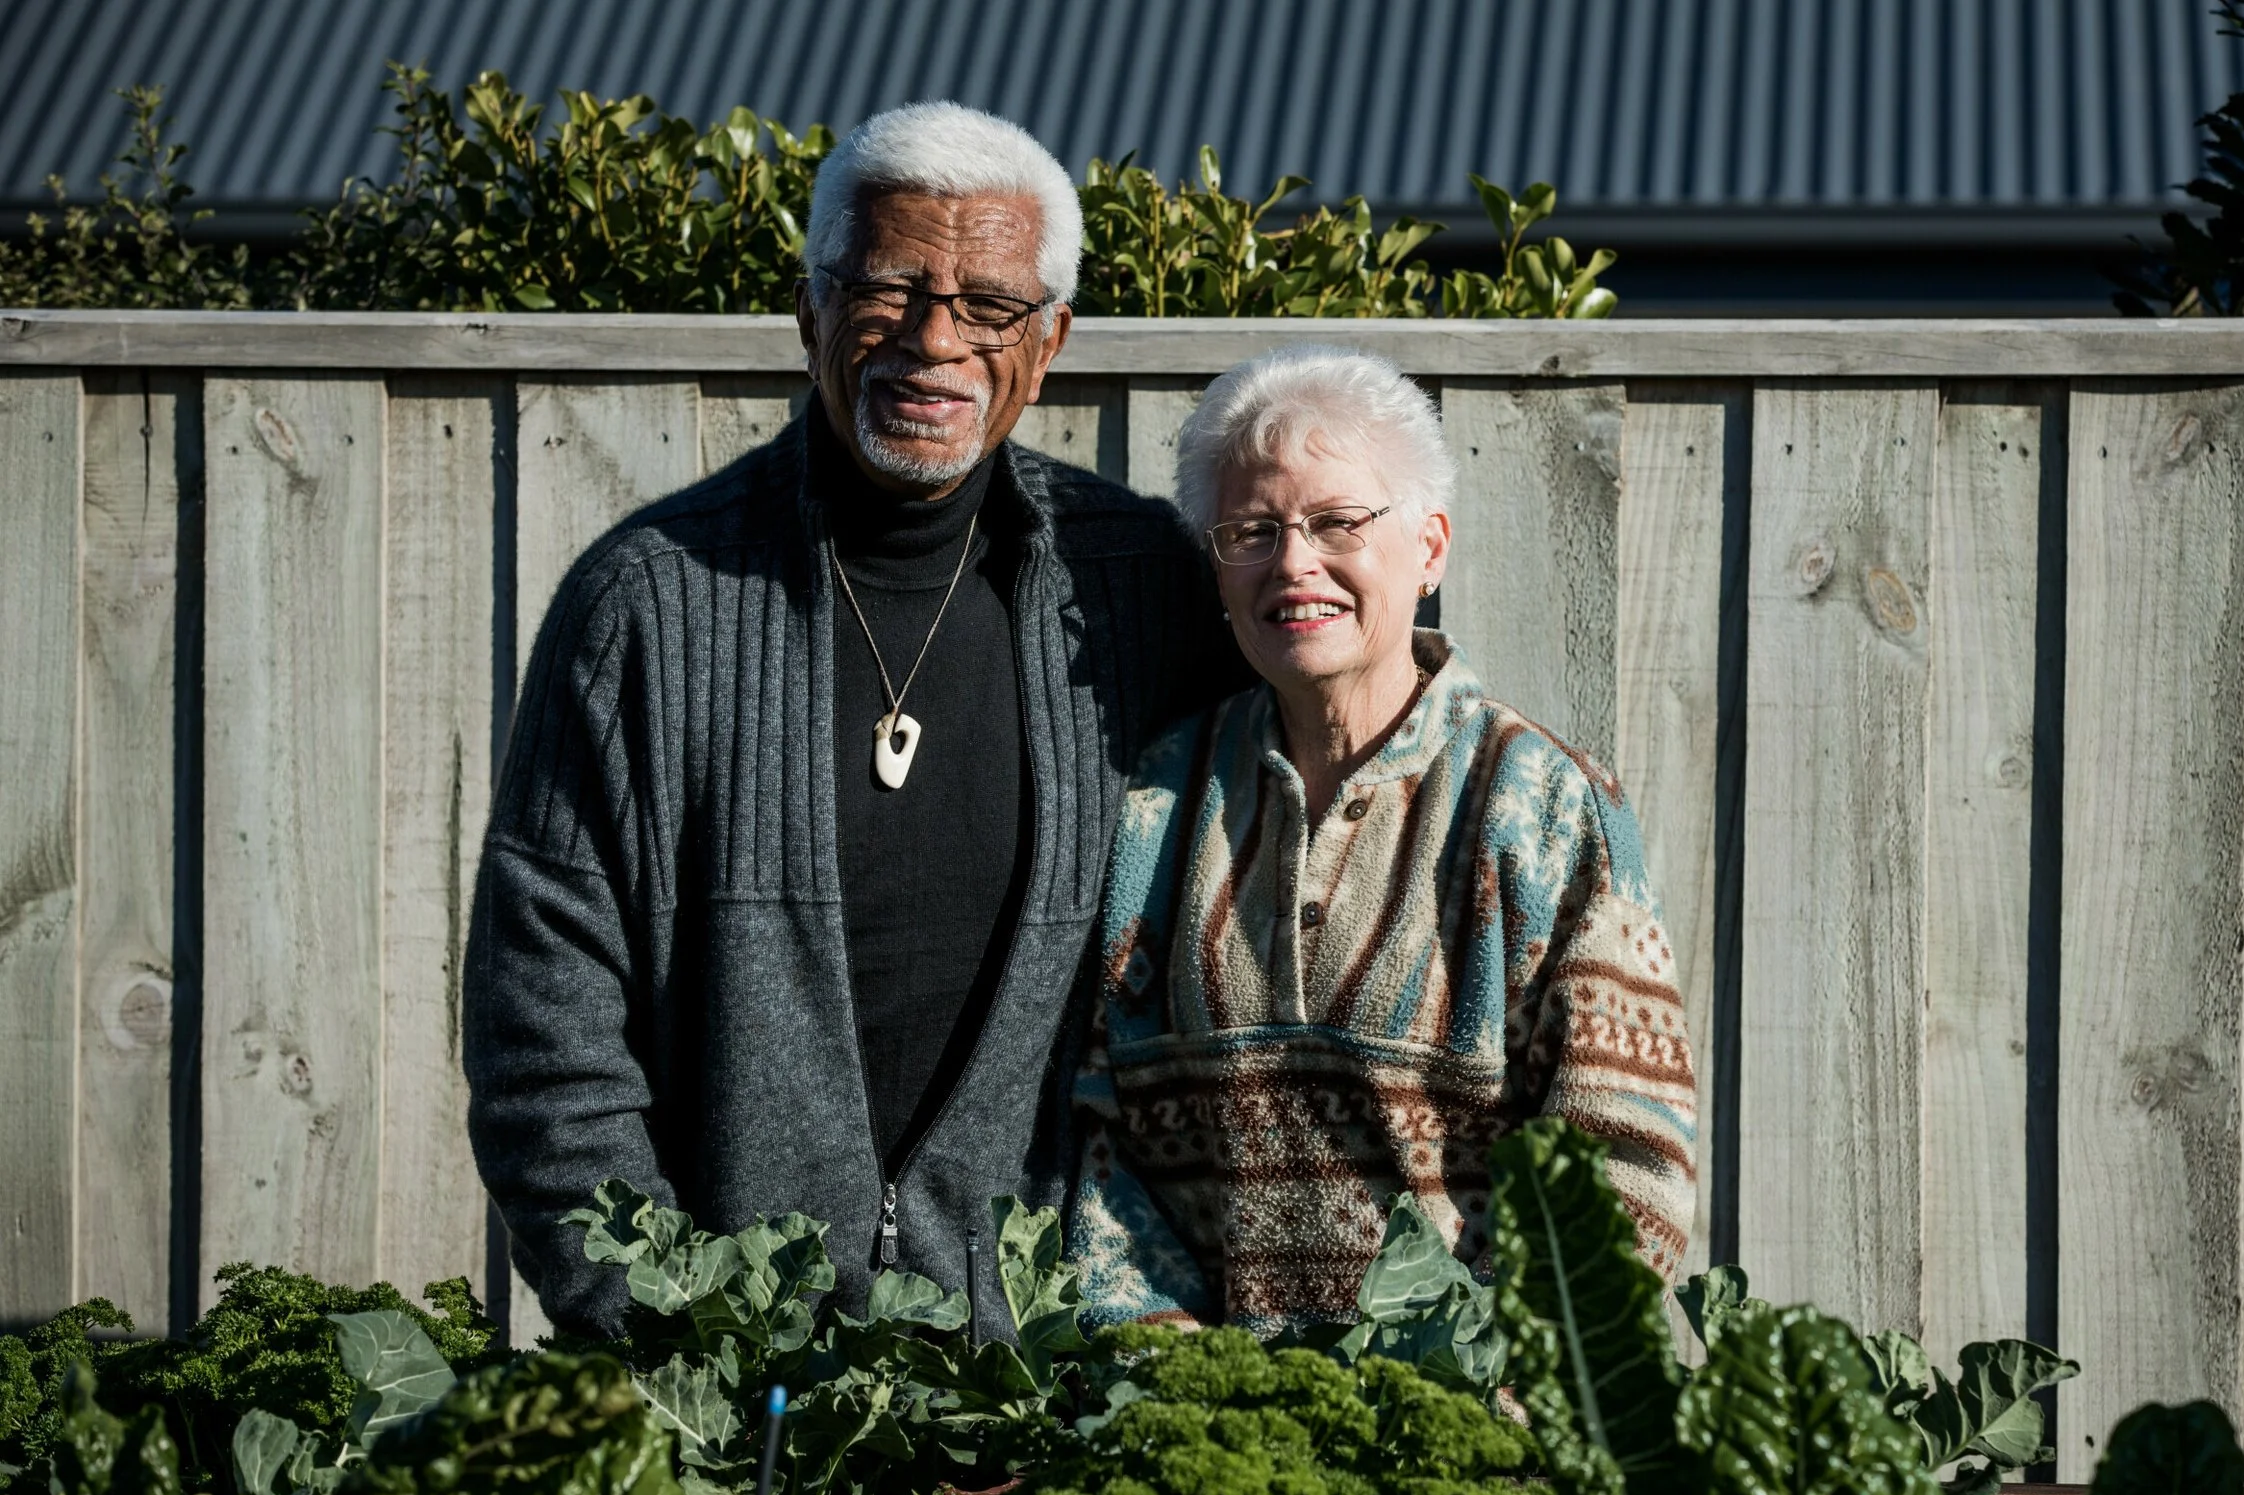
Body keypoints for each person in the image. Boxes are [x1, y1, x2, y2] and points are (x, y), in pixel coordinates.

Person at [464, 103, 1239, 1339]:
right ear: (811, 308)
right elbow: (544, 1031)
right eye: (888, 287)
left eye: (988, 304)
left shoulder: (1144, 586)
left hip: (1055, 1383)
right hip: (723, 1394)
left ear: (1049, 341)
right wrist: (665, 1324)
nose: (935, 339)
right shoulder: (649, 605)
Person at [1068, 346, 1699, 1334]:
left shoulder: (1538, 803)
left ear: (1429, 545)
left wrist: (1475, 1408)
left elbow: (1626, 1163)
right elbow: (1106, 1144)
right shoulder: (1160, 800)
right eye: (1250, 530)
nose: (1293, 562)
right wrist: (1172, 1377)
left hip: (1469, 1447)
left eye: (1336, 524)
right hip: (1216, 1439)